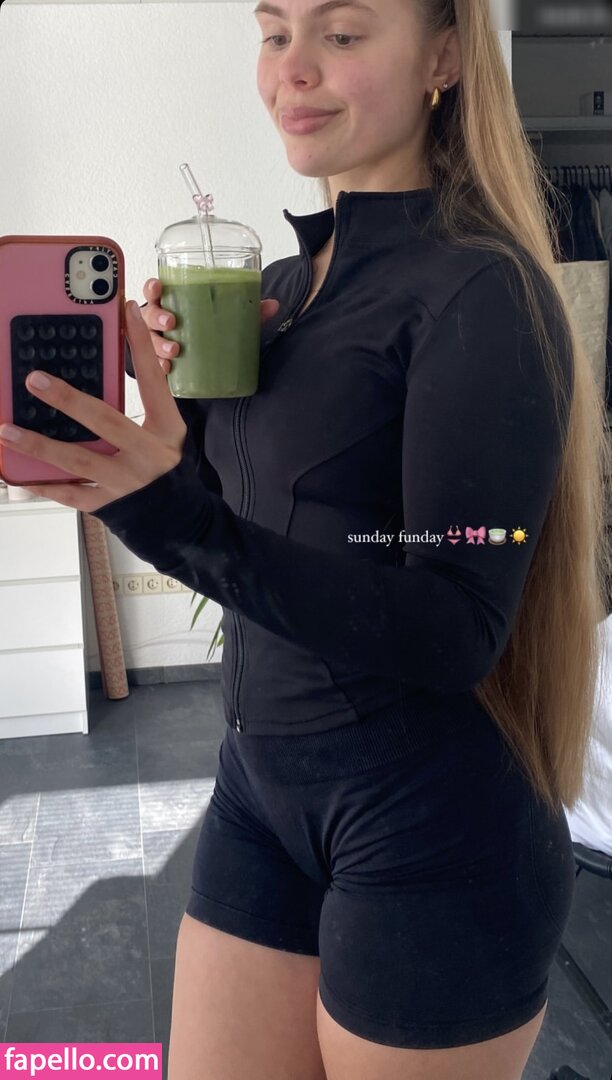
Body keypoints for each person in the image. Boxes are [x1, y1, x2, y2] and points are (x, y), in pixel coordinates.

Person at [1, 0, 609, 1077]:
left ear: (444, 55)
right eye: (275, 32)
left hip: (432, 825)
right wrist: (169, 443)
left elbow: (454, 627)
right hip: (261, 792)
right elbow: (248, 534)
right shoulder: (278, 293)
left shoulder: (482, 290)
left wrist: (165, 509)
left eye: (342, 33)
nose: (293, 69)